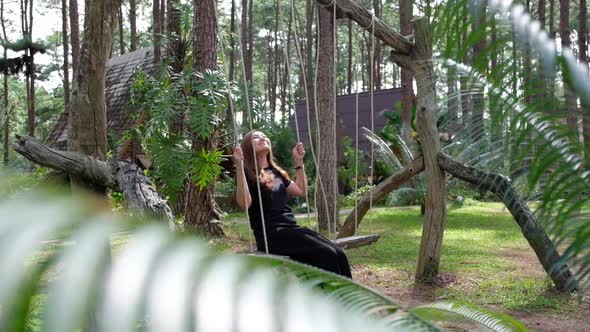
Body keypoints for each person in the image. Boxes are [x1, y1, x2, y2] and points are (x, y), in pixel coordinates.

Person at [234, 130, 352, 278]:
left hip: (290, 229)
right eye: (255, 137)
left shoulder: (276, 172)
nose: (262, 138)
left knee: (339, 253)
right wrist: (239, 166)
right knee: (327, 254)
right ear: (247, 147)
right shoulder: (248, 173)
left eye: (263, 136)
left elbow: (301, 191)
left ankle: (348, 300)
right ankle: (329, 299)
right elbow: (245, 204)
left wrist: (298, 162)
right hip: (272, 235)